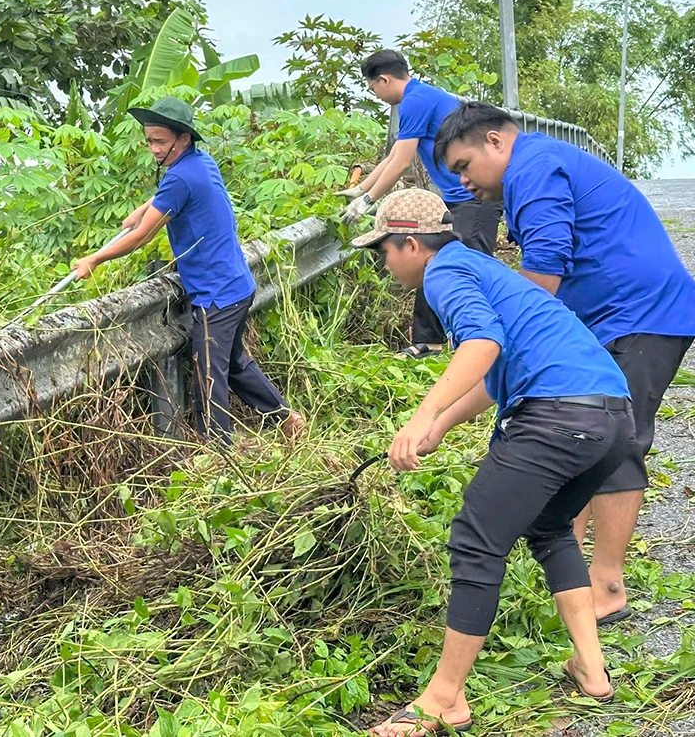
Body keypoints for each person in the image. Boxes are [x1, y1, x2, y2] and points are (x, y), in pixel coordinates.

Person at [354, 189, 634, 736]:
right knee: (550, 527)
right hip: (611, 416)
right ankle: (592, 668)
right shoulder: (481, 267)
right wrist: (441, 424)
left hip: (555, 417)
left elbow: (481, 342)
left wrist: (419, 414)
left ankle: (444, 699)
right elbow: (495, 366)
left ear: (411, 243)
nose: (384, 262)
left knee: (475, 540)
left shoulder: (444, 274)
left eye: (383, 250)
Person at [435, 101, 695, 626]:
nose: (463, 183)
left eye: (463, 167)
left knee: (616, 440)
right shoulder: (536, 164)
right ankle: (569, 576)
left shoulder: (531, 168)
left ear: (494, 142)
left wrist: (494, 337)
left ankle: (607, 585)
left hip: (640, 313)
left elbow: (543, 277)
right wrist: (444, 416)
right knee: (582, 440)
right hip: (607, 318)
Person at [71, 96, 305, 445]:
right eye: (149, 140)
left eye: (160, 141)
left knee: (208, 376)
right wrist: (143, 206)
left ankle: (218, 451)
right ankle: (286, 418)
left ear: (182, 139)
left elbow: (142, 237)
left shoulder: (180, 177)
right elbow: (168, 197)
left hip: (217, 294)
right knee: (233, 363)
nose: (153, 148)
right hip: (236, 285)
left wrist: (95, 259)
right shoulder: (200, 162)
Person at [340, 50, 503, 359]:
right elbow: (392, 156)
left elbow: (401, 162)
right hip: (457, 198)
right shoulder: (420, 96)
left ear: (384, 79)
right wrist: (360, 188)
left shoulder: (416, 100)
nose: (375, 93)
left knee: (470, 267)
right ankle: (430, 342)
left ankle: (482, 340)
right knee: (434, 260)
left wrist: (367, 201)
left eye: (373, 87)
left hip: (475, 197)